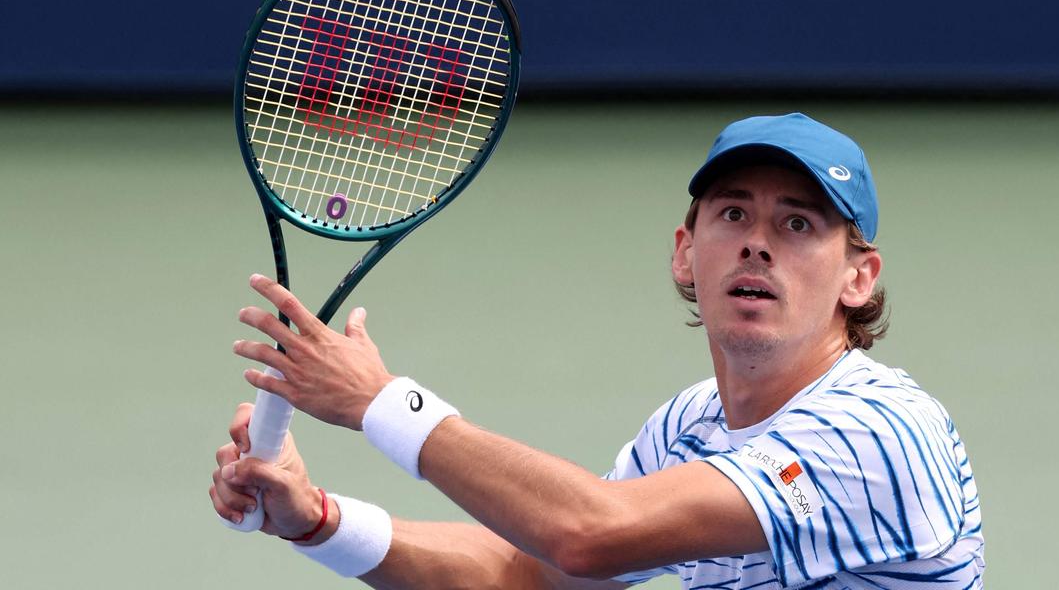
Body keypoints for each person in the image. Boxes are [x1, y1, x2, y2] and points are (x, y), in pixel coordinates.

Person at [209, 113, 985, 589]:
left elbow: (590, 534)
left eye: (798, 225)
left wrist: (381, 402)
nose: (756, 244)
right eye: (733, 214)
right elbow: (533, 577)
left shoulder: (883, 431)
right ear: (686, 253)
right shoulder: (690, 428)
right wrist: (318, 521)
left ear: (859, 276)